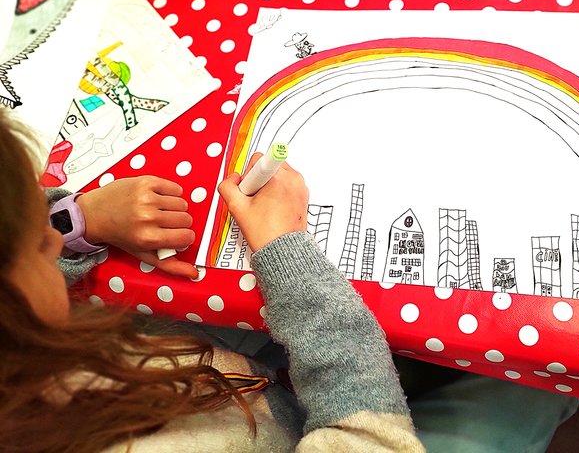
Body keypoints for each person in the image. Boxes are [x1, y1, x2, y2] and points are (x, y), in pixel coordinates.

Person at [0, 109, 423, 452]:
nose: (53, 239)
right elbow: (369, 439)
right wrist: (289, 256)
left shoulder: (24, 359)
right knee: (453, 379)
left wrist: (78, 219)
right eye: (36, 244)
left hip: (239, 372)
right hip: (323, 412)